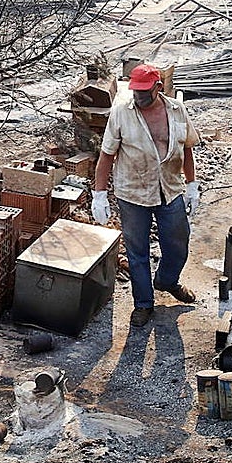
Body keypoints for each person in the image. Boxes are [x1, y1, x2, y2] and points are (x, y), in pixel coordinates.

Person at [91, 64, 201, 327]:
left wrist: (192, 185)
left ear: (158, 88)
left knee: (177, 242)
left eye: (143, 92)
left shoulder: (176, 110)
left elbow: (187, 149)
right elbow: (107, 155)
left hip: (170, 187)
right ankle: (143, 304)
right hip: (133, 192)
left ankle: (167, 280)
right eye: (135, 92)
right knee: (136, 251)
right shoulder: (121, 113)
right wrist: (99, 194)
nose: (138, 97)